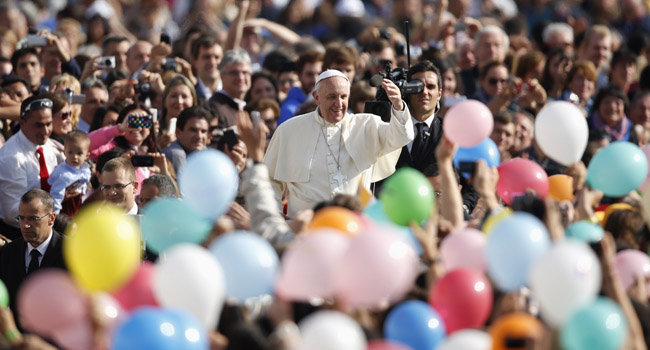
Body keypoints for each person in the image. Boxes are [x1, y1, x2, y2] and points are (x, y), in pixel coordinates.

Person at [264, 69, 414, 217]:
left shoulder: (366, 125)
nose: (339, 103)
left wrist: (398, 106)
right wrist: (274, 215)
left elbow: (401, 137)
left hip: (353, 224)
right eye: (332, 97)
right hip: (307, 227)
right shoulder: (289, 130)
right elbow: (270, 180)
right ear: (316, 97)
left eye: (343, 97)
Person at [0, 189, 67, 322]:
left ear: (51, 218)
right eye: (21, 218)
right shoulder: (8, 253)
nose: (25, 225)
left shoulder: (69, 252)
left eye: (33, 218)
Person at [0, 95, 60, 239]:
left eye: (49, 124)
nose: (46, 131)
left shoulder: (47, 144)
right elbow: (13, 214)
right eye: (39, 125)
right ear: (22, 122)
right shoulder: (12, 158)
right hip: (21, 236)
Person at [48, 131, 91, 216]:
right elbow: (56, 196)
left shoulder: (85, 169)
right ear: (64, 152)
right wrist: (55, 215)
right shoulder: (63, 174)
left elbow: (86, 180)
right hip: (65, 208)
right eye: (70, 152)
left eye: (79, 153)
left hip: (78, 204)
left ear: (86, 156)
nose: (75, 157)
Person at [209, 49, 252, 128]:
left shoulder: (250, 107)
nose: (240, 78)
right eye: (234, 73)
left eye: (245, 72)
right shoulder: (214, 108)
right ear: (222, 76)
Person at [162, 105, 210, 174]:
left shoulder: (206, 153)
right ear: (178, 132)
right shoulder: (176, 154)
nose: (199, 136)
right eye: (193, 130)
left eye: (203, 131)